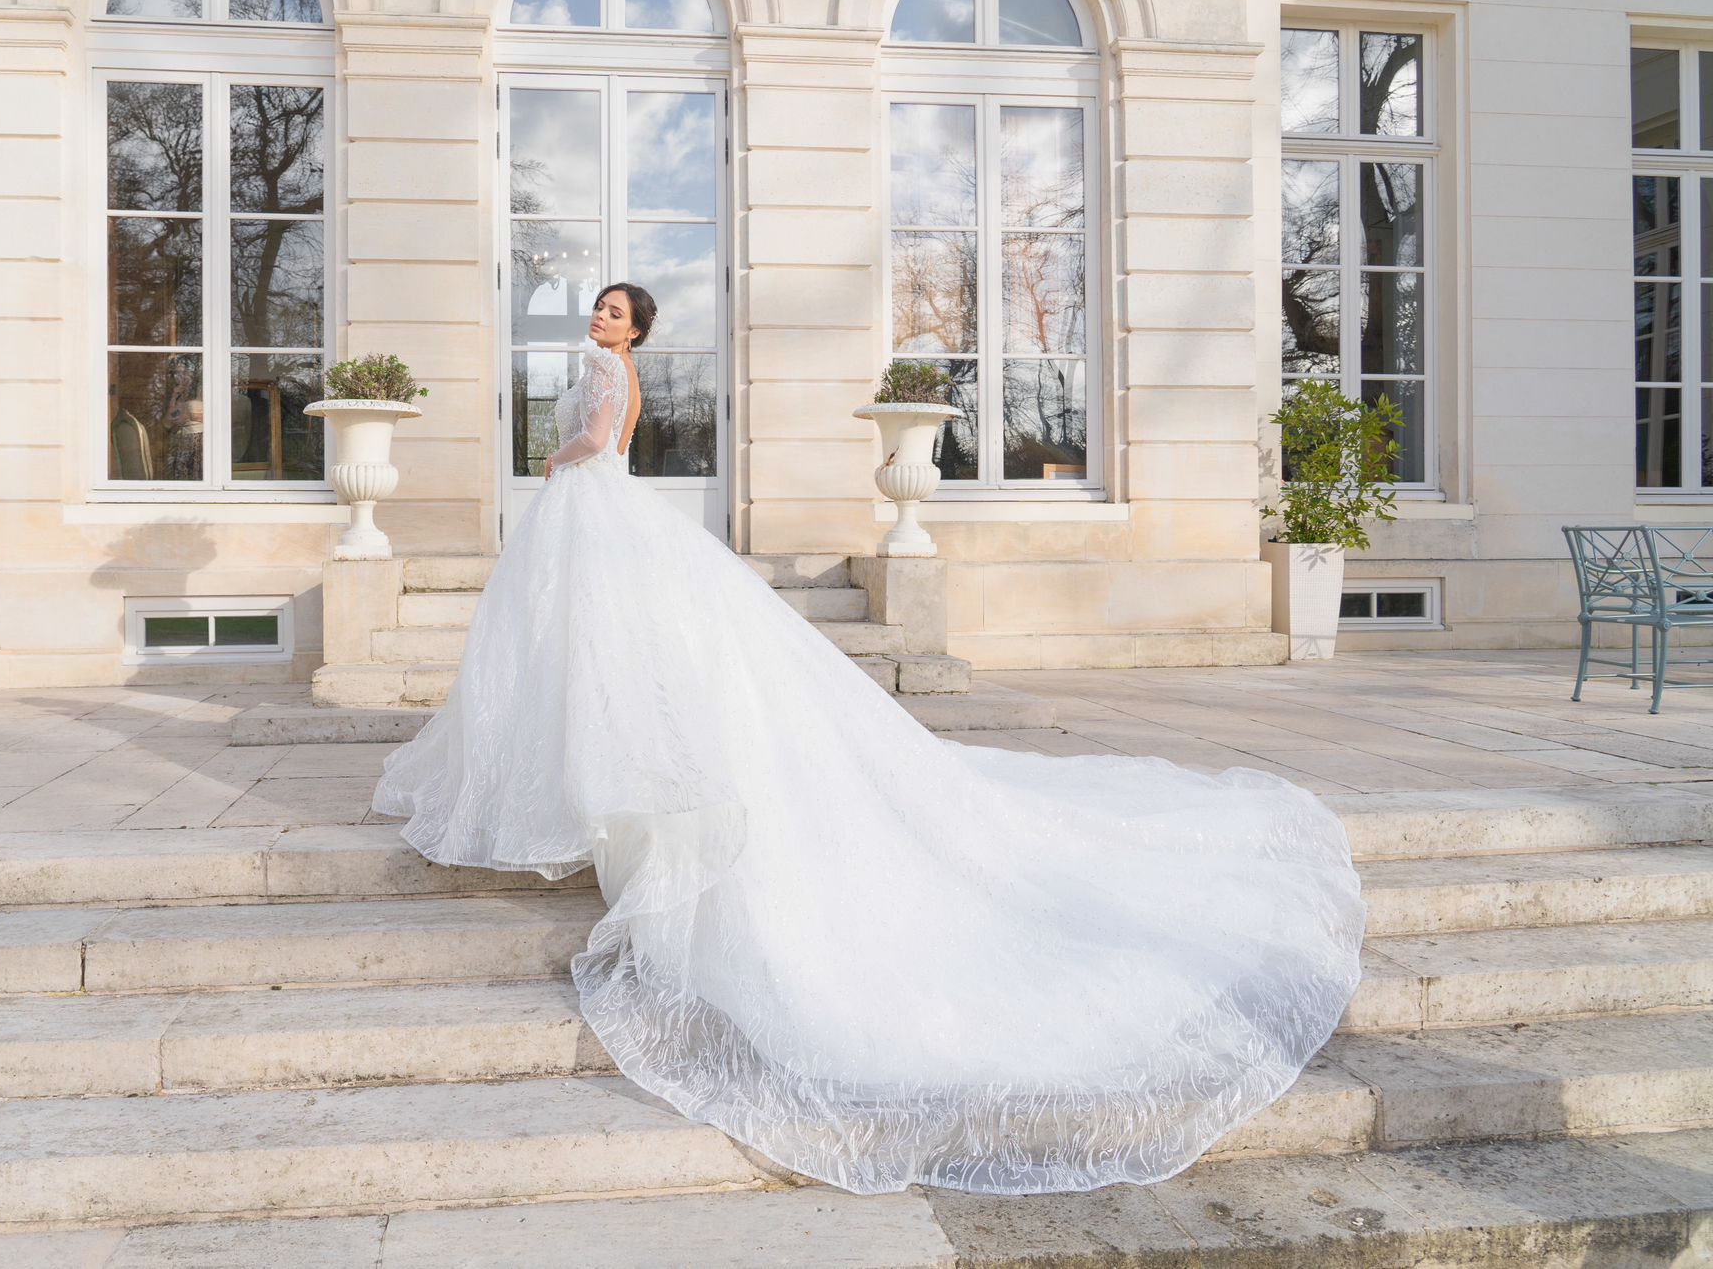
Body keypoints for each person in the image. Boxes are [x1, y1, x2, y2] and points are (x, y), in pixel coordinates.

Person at [370, 280, 1367, 1197]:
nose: (600, 323)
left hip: (590, 504)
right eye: (597, 311)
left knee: (590, 651)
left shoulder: (600, 374)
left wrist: (552, 459)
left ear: (633, 332)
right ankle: (596, 777)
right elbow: (621, 435)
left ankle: (594, 782)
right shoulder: (623, 372)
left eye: (615, 315)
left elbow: (595, 442)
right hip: (612, 511)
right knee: (605, 654)